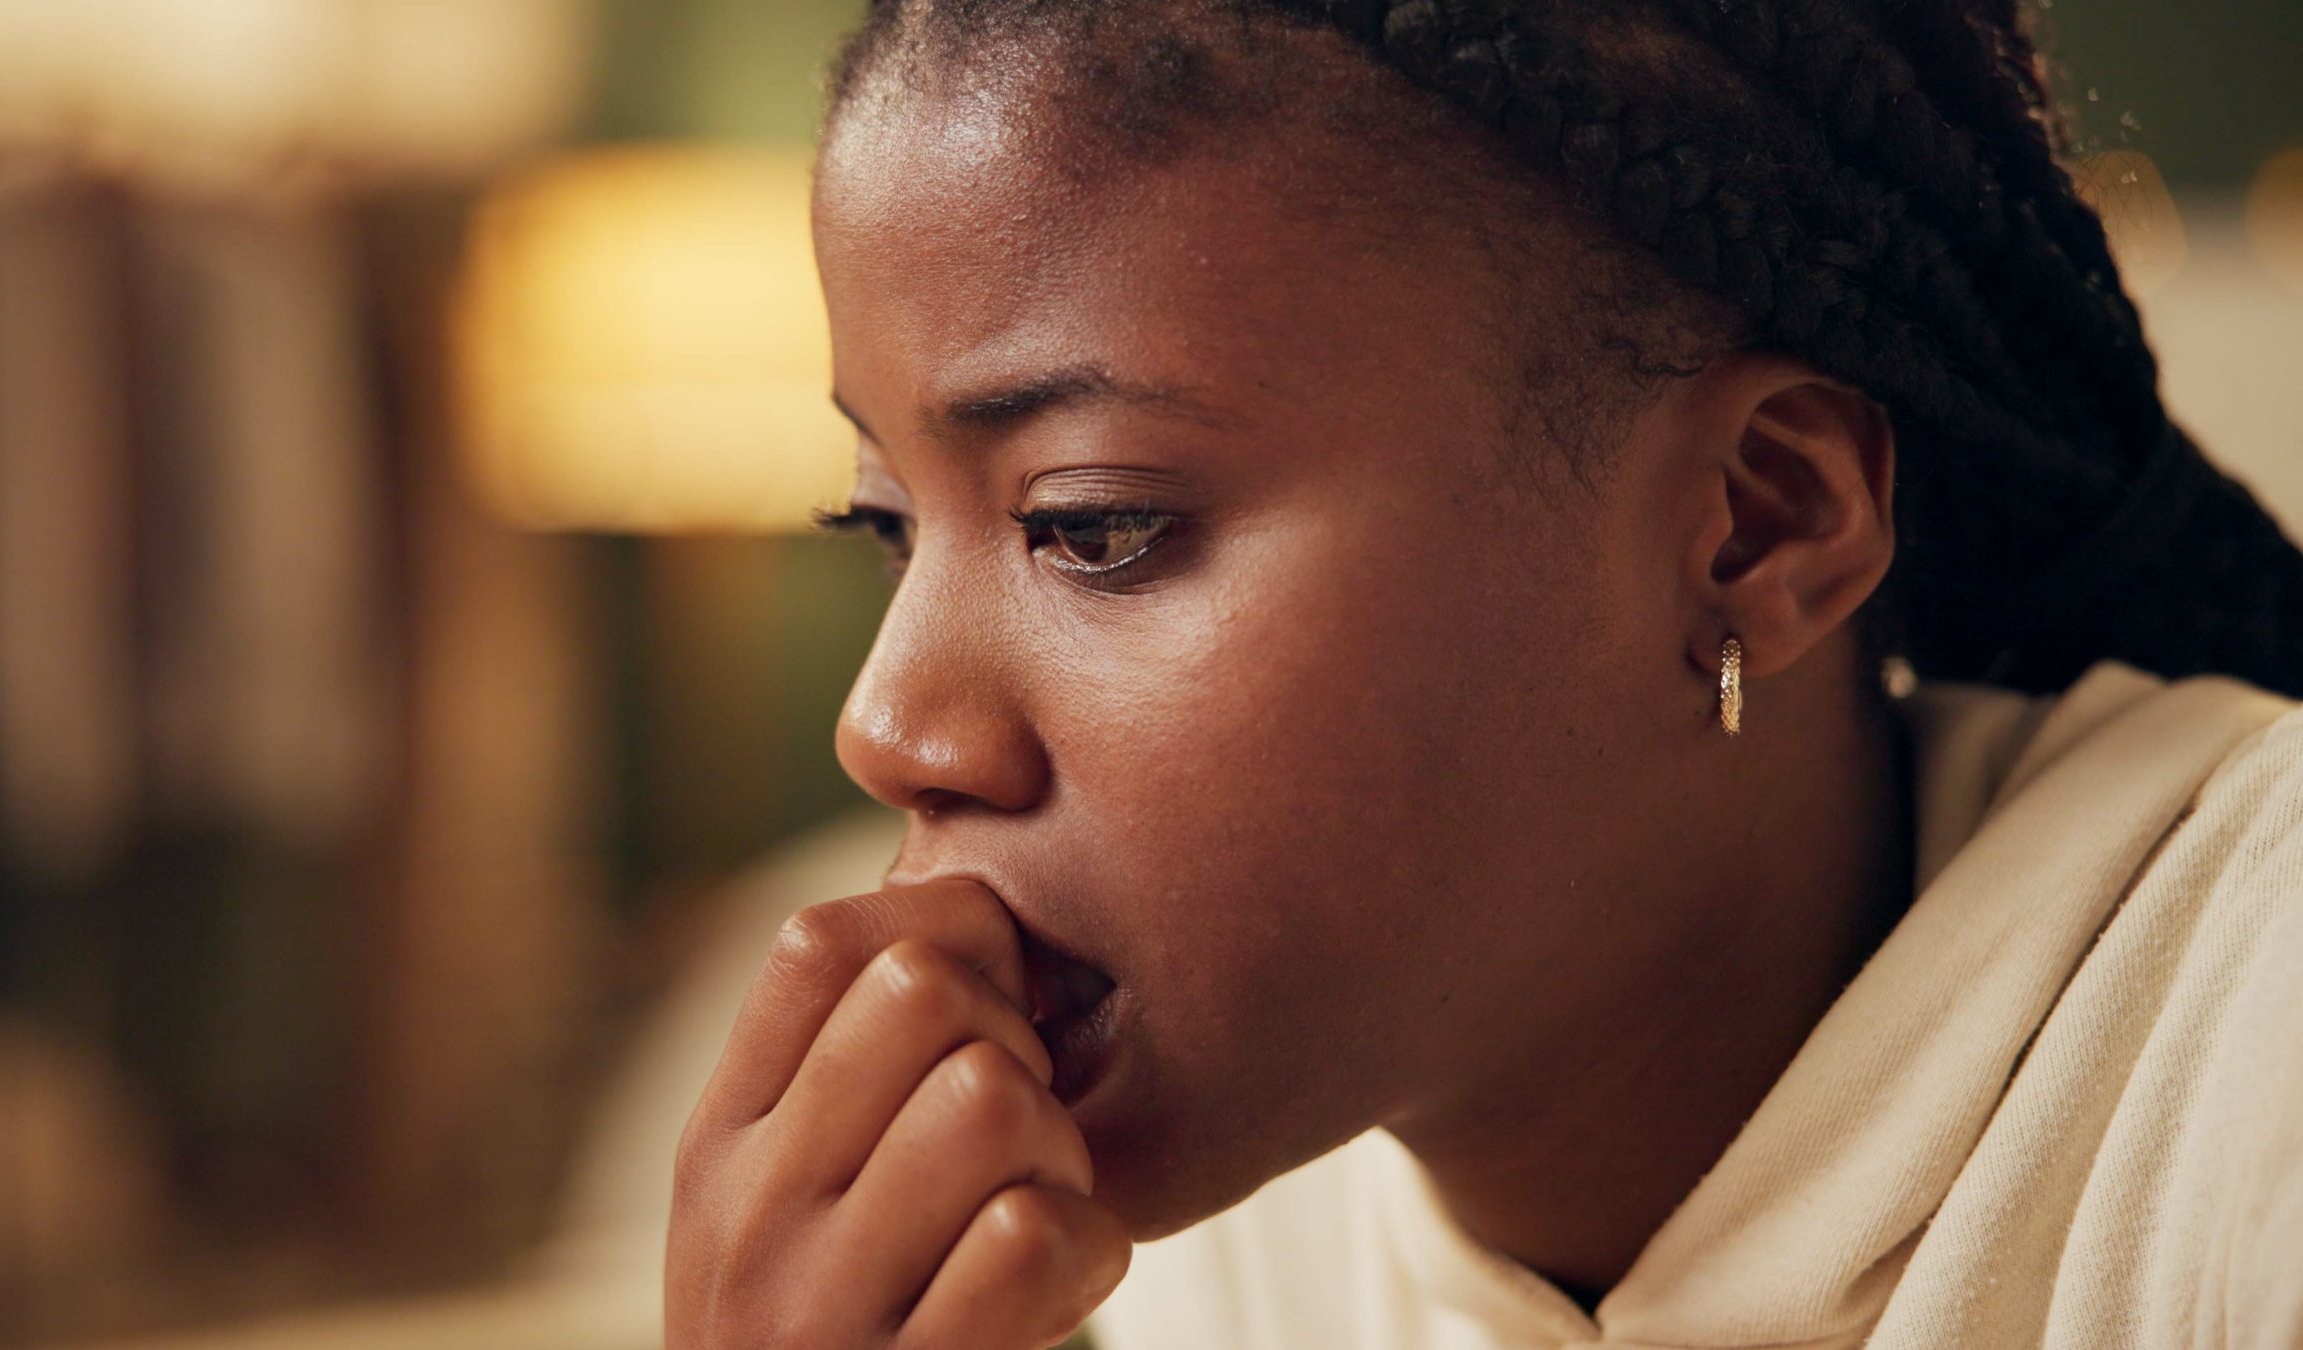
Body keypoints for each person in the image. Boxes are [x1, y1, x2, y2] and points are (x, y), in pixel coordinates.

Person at [663, 1, 2303, 1345]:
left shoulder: (2252, 1060)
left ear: (1759, 524)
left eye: (1094, 526)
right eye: (882, 525)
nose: (887, 729)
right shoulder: (1145, 1269)